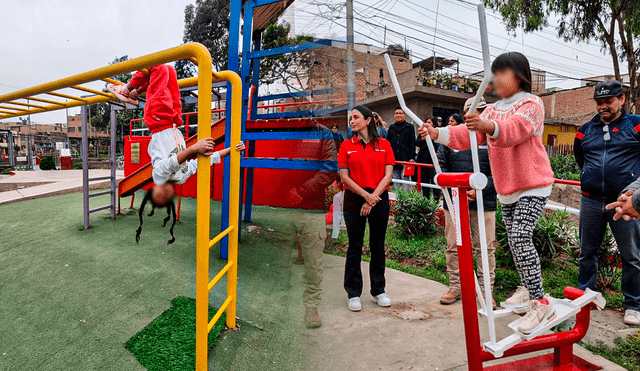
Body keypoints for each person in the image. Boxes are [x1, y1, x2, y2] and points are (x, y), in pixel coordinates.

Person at [420, 52, 555, 333]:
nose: (495, 80)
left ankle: (540, 301)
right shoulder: (492, 110)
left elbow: (514, 131)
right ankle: (527, 287)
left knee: (519, 237)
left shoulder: (532, 104)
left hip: (533, 183)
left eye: (501, 73)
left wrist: (486, 125)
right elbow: (466, 137)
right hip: (507, 189)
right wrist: (437, 134)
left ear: (519, 75)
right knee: (515, 243)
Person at [108, 65, 245, 242]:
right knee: (170, 72)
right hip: (174, 122)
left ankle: (125, 90)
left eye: (157, 192)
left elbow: (169, 163)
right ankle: (137, 92)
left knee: (159, 66)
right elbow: (209, 159)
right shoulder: (181, 177)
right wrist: (232, 149)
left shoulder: (159, 176)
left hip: (157, 120)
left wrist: (193, 149)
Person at [575, 80, 640, 326]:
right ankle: (586, 295)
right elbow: (580, 157)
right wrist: (592, 178)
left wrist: (632, 188)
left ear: (621, 99)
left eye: (608, 101)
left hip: (624, 202)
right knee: (587, 252)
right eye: (599, 102)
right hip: (591, 201)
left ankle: (633, 304)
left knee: (631, 255)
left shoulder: (636, 125)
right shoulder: (584, 130)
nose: (603, 107)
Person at [437, 101, 497, 308]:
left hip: (485, 203)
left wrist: (481, 189)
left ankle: (486, 292)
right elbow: (441, 169)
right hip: (454, 202)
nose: (475, 115)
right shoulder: (451, 136)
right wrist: (458, 190)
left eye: (480, 111)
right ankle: (456, 287)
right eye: (471, 112)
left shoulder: (492, 136)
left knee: (485, 248)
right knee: (453, 247)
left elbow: (498, 171)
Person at [338, 105, 395, 312]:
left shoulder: (385, 145)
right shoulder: (346, 146)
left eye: (356, 117)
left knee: (377, 245)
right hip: (354, 198)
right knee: (355, 246)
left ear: (368, 120)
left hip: (378, 197)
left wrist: (373, 199)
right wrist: (366, 196)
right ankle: (353, 293)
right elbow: (344, 177)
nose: (352, 121)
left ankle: (378, 291)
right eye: (350, 118)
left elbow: (388, 175)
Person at [387, 107, 415, 190]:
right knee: (396, 181)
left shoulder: (410, 127)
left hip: (405, 158)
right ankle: (398, 200)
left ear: (404, 115)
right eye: (396, 113)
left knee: (406, 181)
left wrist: (411, 157)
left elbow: (412, 143)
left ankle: (405, 201)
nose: (398, 115)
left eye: (400, 113)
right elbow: (388, 143)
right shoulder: (391, 127)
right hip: (394, 158)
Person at [413, 116, 441, 200]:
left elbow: (437, 145)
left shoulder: (437, 133)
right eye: (426, 122)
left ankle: (436, 199)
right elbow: (416, 143)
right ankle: (426, 199)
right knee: (424, 181)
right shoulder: (422, 133)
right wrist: (423, 139)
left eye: (429, 122)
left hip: (433, 161)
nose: (427, 124)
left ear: (433, 124)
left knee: (434, 181)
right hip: (422, 160)